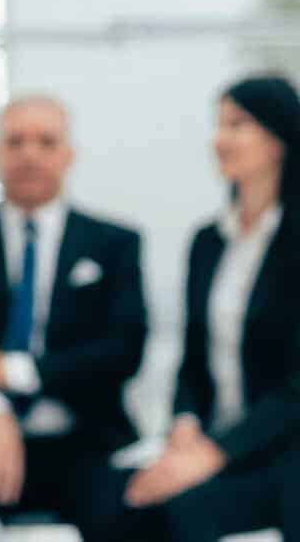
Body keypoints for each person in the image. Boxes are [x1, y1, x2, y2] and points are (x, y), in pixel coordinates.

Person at [0, 96, 147, 541]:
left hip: (87, 439)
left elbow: (123, 351)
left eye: (46, 141)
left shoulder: (115, 243)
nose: (30, 154)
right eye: (16, 141)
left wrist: (14, 371)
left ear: (68, 154)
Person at [125, 75, 300, 541]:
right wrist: (184, 424)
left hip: (282, 445)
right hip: (214, 441)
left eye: (237, 124)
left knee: (188, 512)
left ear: (279, 138)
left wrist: (213, 453)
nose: (218, 139)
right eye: (218, 124)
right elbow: (193, 359)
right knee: (123, 503)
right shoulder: (208, 241)